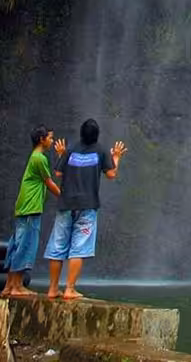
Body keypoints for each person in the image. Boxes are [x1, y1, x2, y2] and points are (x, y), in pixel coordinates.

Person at [44, 118, 126, 300]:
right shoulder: (101, 150)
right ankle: (69, 289)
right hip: (87, 206)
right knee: (78, 248)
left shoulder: (71, 149)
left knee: (58, 247)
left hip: (66, 204)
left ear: (81, 133)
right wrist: (116, 157)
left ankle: (52, 289)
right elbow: (111, 174)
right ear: (97, 135)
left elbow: (58, 173)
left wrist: (61, 155)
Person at [1, 127, 63, 299]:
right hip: (31, 207)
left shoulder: (34, 157)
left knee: (17, 244)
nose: (52, 140)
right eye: (50, 137)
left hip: (24, 206)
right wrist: (63, 196)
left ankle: (9, 285)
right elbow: (49, 182)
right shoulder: (39, 158)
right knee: (26, 245)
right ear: (42, 139)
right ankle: (17, 286)